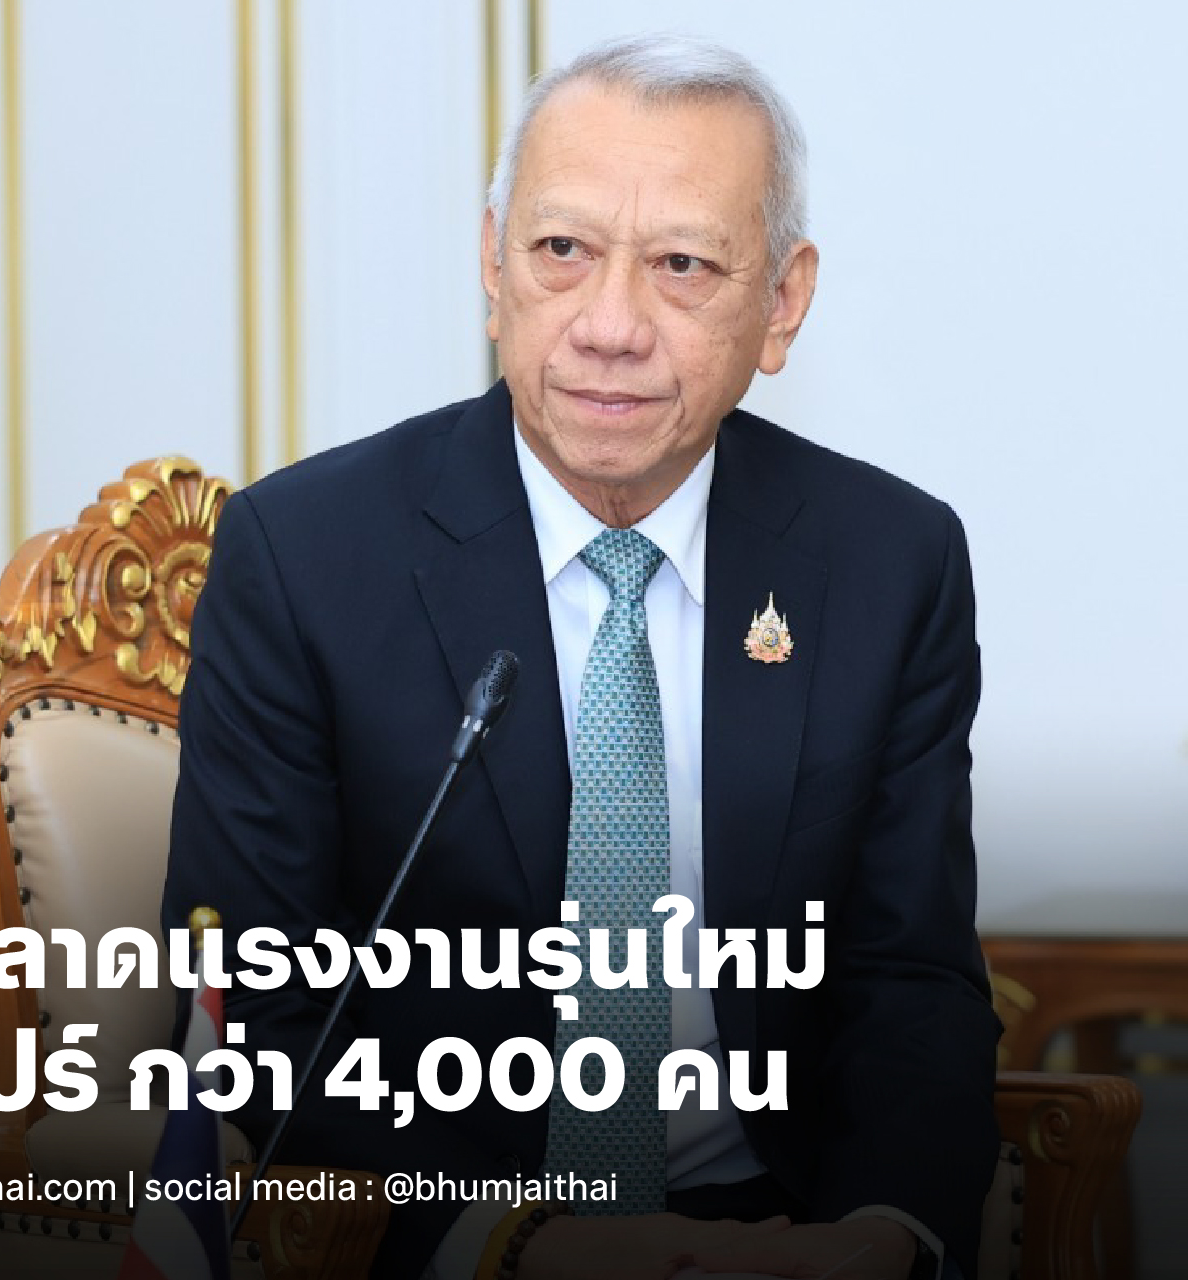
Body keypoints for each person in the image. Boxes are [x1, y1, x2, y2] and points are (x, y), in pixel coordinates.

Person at [165, 33, 1000, 1280]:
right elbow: (261, 1007)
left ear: (782, 302)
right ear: (491, 264)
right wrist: (517, 1244)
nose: (610, 327)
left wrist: (884, 1236)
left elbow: (908, 978)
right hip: (447, 1238)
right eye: (562, 250)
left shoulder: (889, 562)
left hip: (778, 1234)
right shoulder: (305, 558)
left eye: (682, 265)